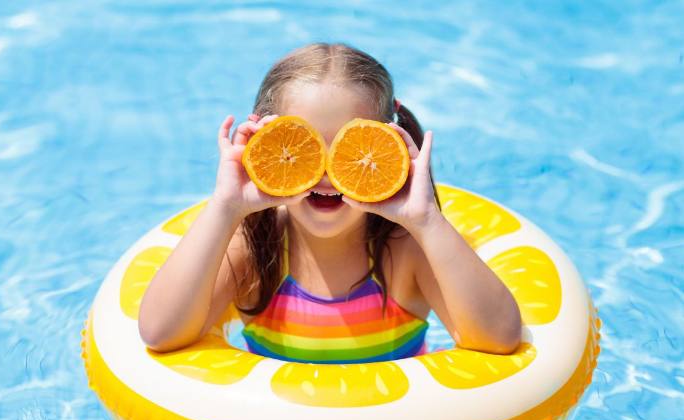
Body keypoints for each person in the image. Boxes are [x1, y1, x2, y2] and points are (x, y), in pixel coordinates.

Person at [137, 42, 521, 362]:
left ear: (390, 142)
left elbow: (498, 340)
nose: (325, 173)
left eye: (349, 147)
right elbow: (161, 333)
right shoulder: (254, 248)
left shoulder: (406, 251)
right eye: (302, 147)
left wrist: (425, 220)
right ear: (263, 144)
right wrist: (225, 207)